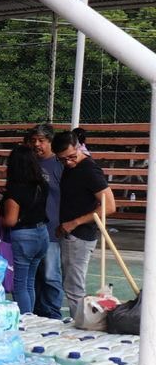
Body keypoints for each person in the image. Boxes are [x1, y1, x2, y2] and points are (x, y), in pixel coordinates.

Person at [54, 129, 112, 318]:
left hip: (80, 235)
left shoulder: (89, 169)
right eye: (62, 159)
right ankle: (80, 321)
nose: (68, 162)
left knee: (74, 288)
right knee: (71, 285)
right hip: (72, 233)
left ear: (79, 147)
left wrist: (74, 223)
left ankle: (81, 324)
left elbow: (110, 206)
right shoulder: (71, 167)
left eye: (71, 156)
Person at [0, 145, 51, 316]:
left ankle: (25, 318)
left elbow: (10, 220)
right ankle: (30, 316)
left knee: (19, 283)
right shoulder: (42, 185)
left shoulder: (15, 190)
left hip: (24, 236)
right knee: (30, 280)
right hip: (42, 233)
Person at [29, 125, 65, 318]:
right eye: (34, 140)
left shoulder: (59, 165)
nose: (37, 144)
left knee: (51, 274)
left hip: (52, 228)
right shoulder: (29, 162)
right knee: (32, 274)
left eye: (41, 140)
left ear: (50, 142)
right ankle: (35, 311)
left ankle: (52, 312)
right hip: (30, 228)